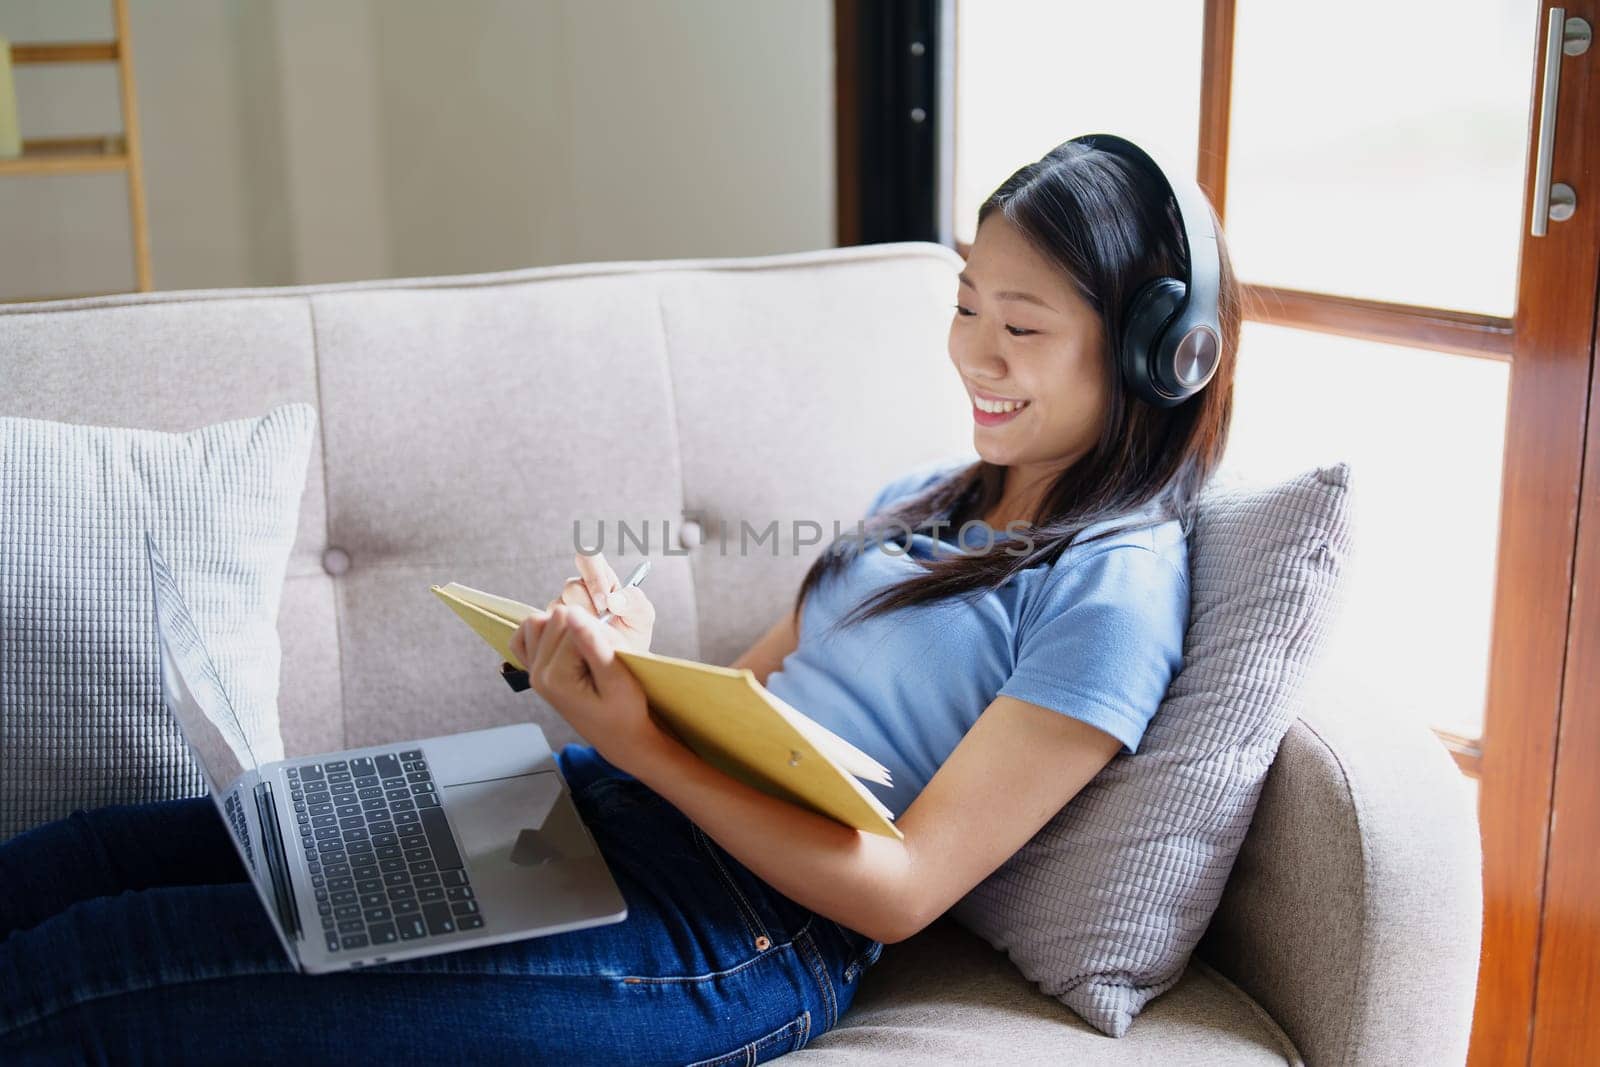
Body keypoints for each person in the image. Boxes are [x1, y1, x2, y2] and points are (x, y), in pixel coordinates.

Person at [0, 135, 1239, 1064]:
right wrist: (636, 669)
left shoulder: (1113, 594)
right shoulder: (929, 494)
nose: (974, 353)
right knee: (93, 859)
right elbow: (751, 700)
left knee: (88, 980)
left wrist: (635, 737)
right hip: (595, 807)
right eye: (968, 304)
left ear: (1155, 356)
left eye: (1020, 325)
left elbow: (905, 883)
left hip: (738, 935)